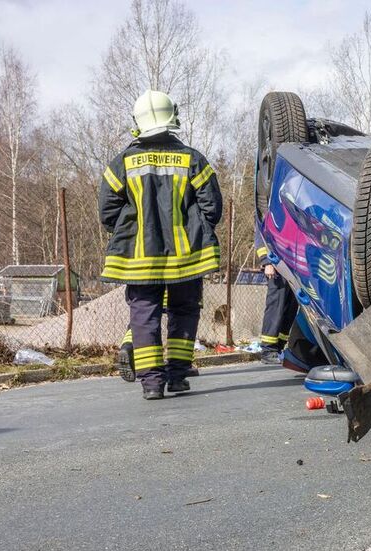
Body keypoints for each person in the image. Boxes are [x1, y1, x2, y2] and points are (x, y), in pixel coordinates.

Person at [99, 90, 222, 400]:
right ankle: (178, 376)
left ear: (138, 123)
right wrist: (196, 229)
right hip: (187, 257)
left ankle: (152, 384)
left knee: (144, 316)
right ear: (172, 119)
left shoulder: (122, 163)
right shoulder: (193, 159)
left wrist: (131, 233)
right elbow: (213, 208)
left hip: (140, 259)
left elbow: (107, 211)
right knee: (184, 310)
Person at [255, 227, 324, 372]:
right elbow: (261, 232)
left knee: (291, 308)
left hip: (293, 264)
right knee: (276, 306)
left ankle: (278, 346)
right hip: (276, 262)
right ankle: (268, 349)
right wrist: (266, 261)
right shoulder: (268, 206)